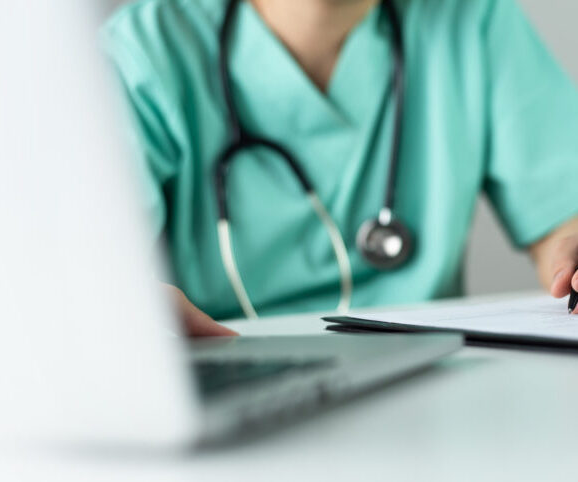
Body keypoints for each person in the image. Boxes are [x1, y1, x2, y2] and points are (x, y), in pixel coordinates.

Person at [101, 0, 578, 336]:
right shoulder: (144, 51)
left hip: (427, 377)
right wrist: (130, 305)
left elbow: (563, 221)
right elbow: (80, 263)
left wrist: (571, 256)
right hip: (227, 370)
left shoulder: (473, 17)